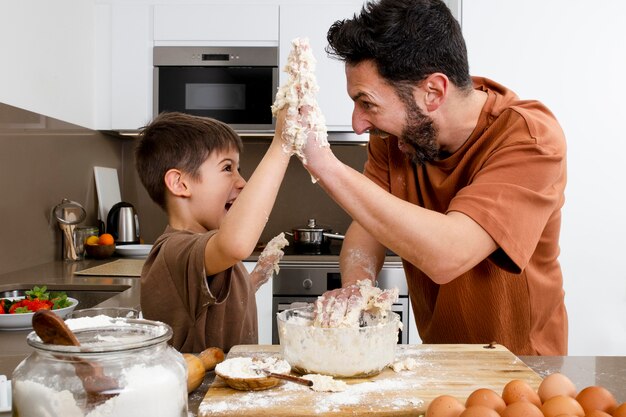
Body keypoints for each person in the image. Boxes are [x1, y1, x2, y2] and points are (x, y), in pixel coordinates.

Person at [299, 0, 567, 355]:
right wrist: (357, 286)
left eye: (367, 103)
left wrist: (324, 164)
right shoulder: (397, 139)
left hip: (522, 364)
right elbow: (367, 228)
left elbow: (448, 256)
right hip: (440, 358)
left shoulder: (529, 138)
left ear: (433, 92)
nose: (358, 123)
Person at [135, 110, 292, 353]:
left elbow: (217, 307)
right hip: (204, 392)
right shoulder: (173, 251)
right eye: (227, 168)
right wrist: (282, 143)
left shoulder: (204, 251)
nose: (242, 182)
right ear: (180, 184)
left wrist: (255, 279)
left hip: (226, 390)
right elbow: (236, 244)